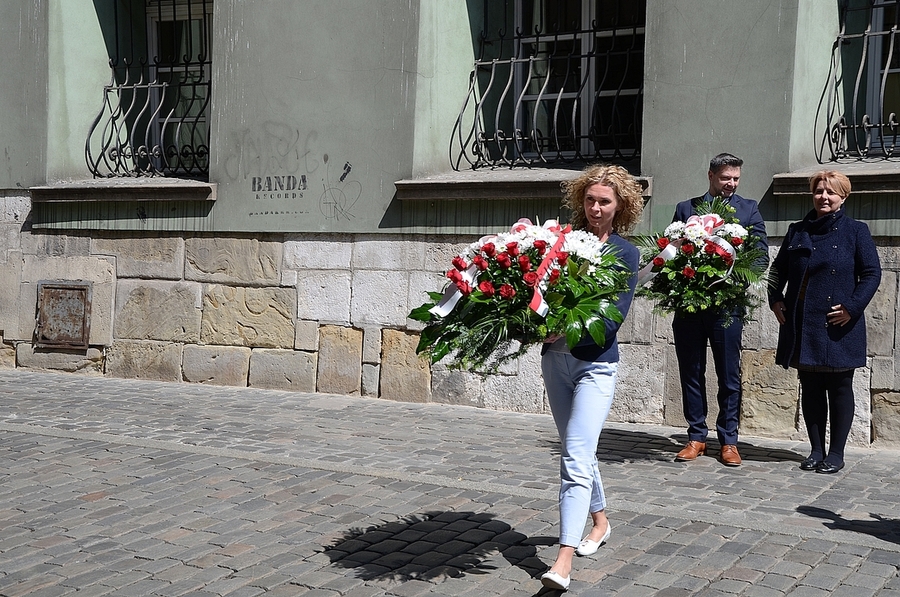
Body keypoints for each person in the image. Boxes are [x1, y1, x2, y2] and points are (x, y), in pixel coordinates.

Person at [539, 164, 643, 592]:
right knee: (575, 449)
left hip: (596, 364)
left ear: (620, 207)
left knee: (575, 458)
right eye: (590, 200)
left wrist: (563, 326)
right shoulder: (560, 243)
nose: (596, 208)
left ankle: (562, 560)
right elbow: (538, 291)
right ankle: (599, 522)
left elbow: (613, 315)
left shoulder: (624, 253)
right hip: (555, 361)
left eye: (605, 201)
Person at [768, 170, 881, 474]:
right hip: (803, 321)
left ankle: (837, 453)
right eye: (819, 191)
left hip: (839, 322)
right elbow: (777, 270)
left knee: (840, 387)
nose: (824, 197)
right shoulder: (797, 231)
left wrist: (852, 308)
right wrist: (775, 298)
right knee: (811, 386)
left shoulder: (856, 231)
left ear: (843, 196)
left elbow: (871, 273)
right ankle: (816, 450)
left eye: (831, 192)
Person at [671, 153, 768, 467]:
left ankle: (729, 441)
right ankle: (697, 436)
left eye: (736, 179)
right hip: (690, 306)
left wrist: (731, 269)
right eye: (726, 178)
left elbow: (760, 257)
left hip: (727, 307)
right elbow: (671, 250)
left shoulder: (749, 209)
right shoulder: (686, 209)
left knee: (728, 376)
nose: (731, 184)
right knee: (691, 373)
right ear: (711, 175)